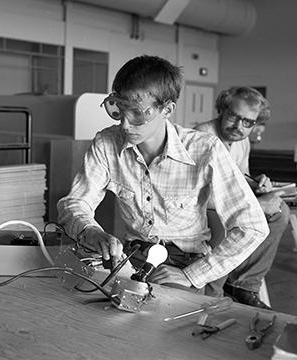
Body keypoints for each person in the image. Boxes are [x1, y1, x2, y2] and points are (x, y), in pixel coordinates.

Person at [57, 55, 269, 297]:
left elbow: (252, 226)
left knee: (161, 317)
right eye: (119, 110)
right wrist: (89, 230)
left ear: (167, 109)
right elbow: (74, 202)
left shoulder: (205, 149)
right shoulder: (107, 143)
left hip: (185, 261)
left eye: (137, 113)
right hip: (132, 256)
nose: (125, 125)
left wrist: (193, 275)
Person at [195, 86, 290, 308]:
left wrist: (257, 183)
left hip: (226, 203)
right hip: (202, 208)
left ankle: (243, 283)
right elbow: (201, 194)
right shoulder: (204, 137)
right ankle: (212, 292)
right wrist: (256, 205)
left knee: (280, 211)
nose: (239, 126)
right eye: (234, 117)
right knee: (228, 221)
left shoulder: (241, 141)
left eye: (248, 122)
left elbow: (239, 179)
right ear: (222, 110)